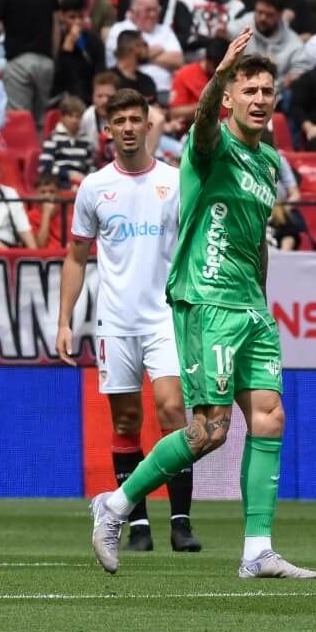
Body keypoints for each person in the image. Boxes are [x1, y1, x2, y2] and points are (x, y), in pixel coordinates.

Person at [89, 29, 314, 579]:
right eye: (250, 90)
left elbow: (258, 235)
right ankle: (115, 506)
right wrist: (217, 76)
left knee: (270, 416)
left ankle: (257, 549)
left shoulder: (266, 162)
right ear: (230, 98)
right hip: (206, 299)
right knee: (208, 431)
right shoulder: (209, 147)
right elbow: (204, 119)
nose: (260, 99)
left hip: (250, 306)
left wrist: (262, 296)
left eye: (268, 90)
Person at [57, 88, 199, 550]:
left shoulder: (176, 182)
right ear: (108, 129)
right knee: (125, 422)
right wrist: (64, 320)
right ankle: (137, 526)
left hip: (165, 317)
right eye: (120, 122)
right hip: (115, 322)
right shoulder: (95, 187)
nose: (129, 128)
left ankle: (181, 521)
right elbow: (76, 256)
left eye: (137, 119)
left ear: (148, 124)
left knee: (173, 410)